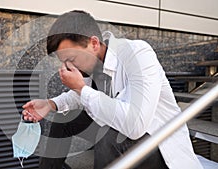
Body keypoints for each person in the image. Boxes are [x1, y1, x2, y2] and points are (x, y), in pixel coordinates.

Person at [22, 10, 203, 169]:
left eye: (72, 58)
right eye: (63, 62)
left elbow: (135, 126)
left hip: (160, 149)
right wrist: (50, 104)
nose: (68, 67)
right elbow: (80, 95)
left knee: (109, 135)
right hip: (126, 131)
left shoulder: (138, 54)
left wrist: (82, 89)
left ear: (93, 43)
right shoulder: (94, 64)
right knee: (64, 120)